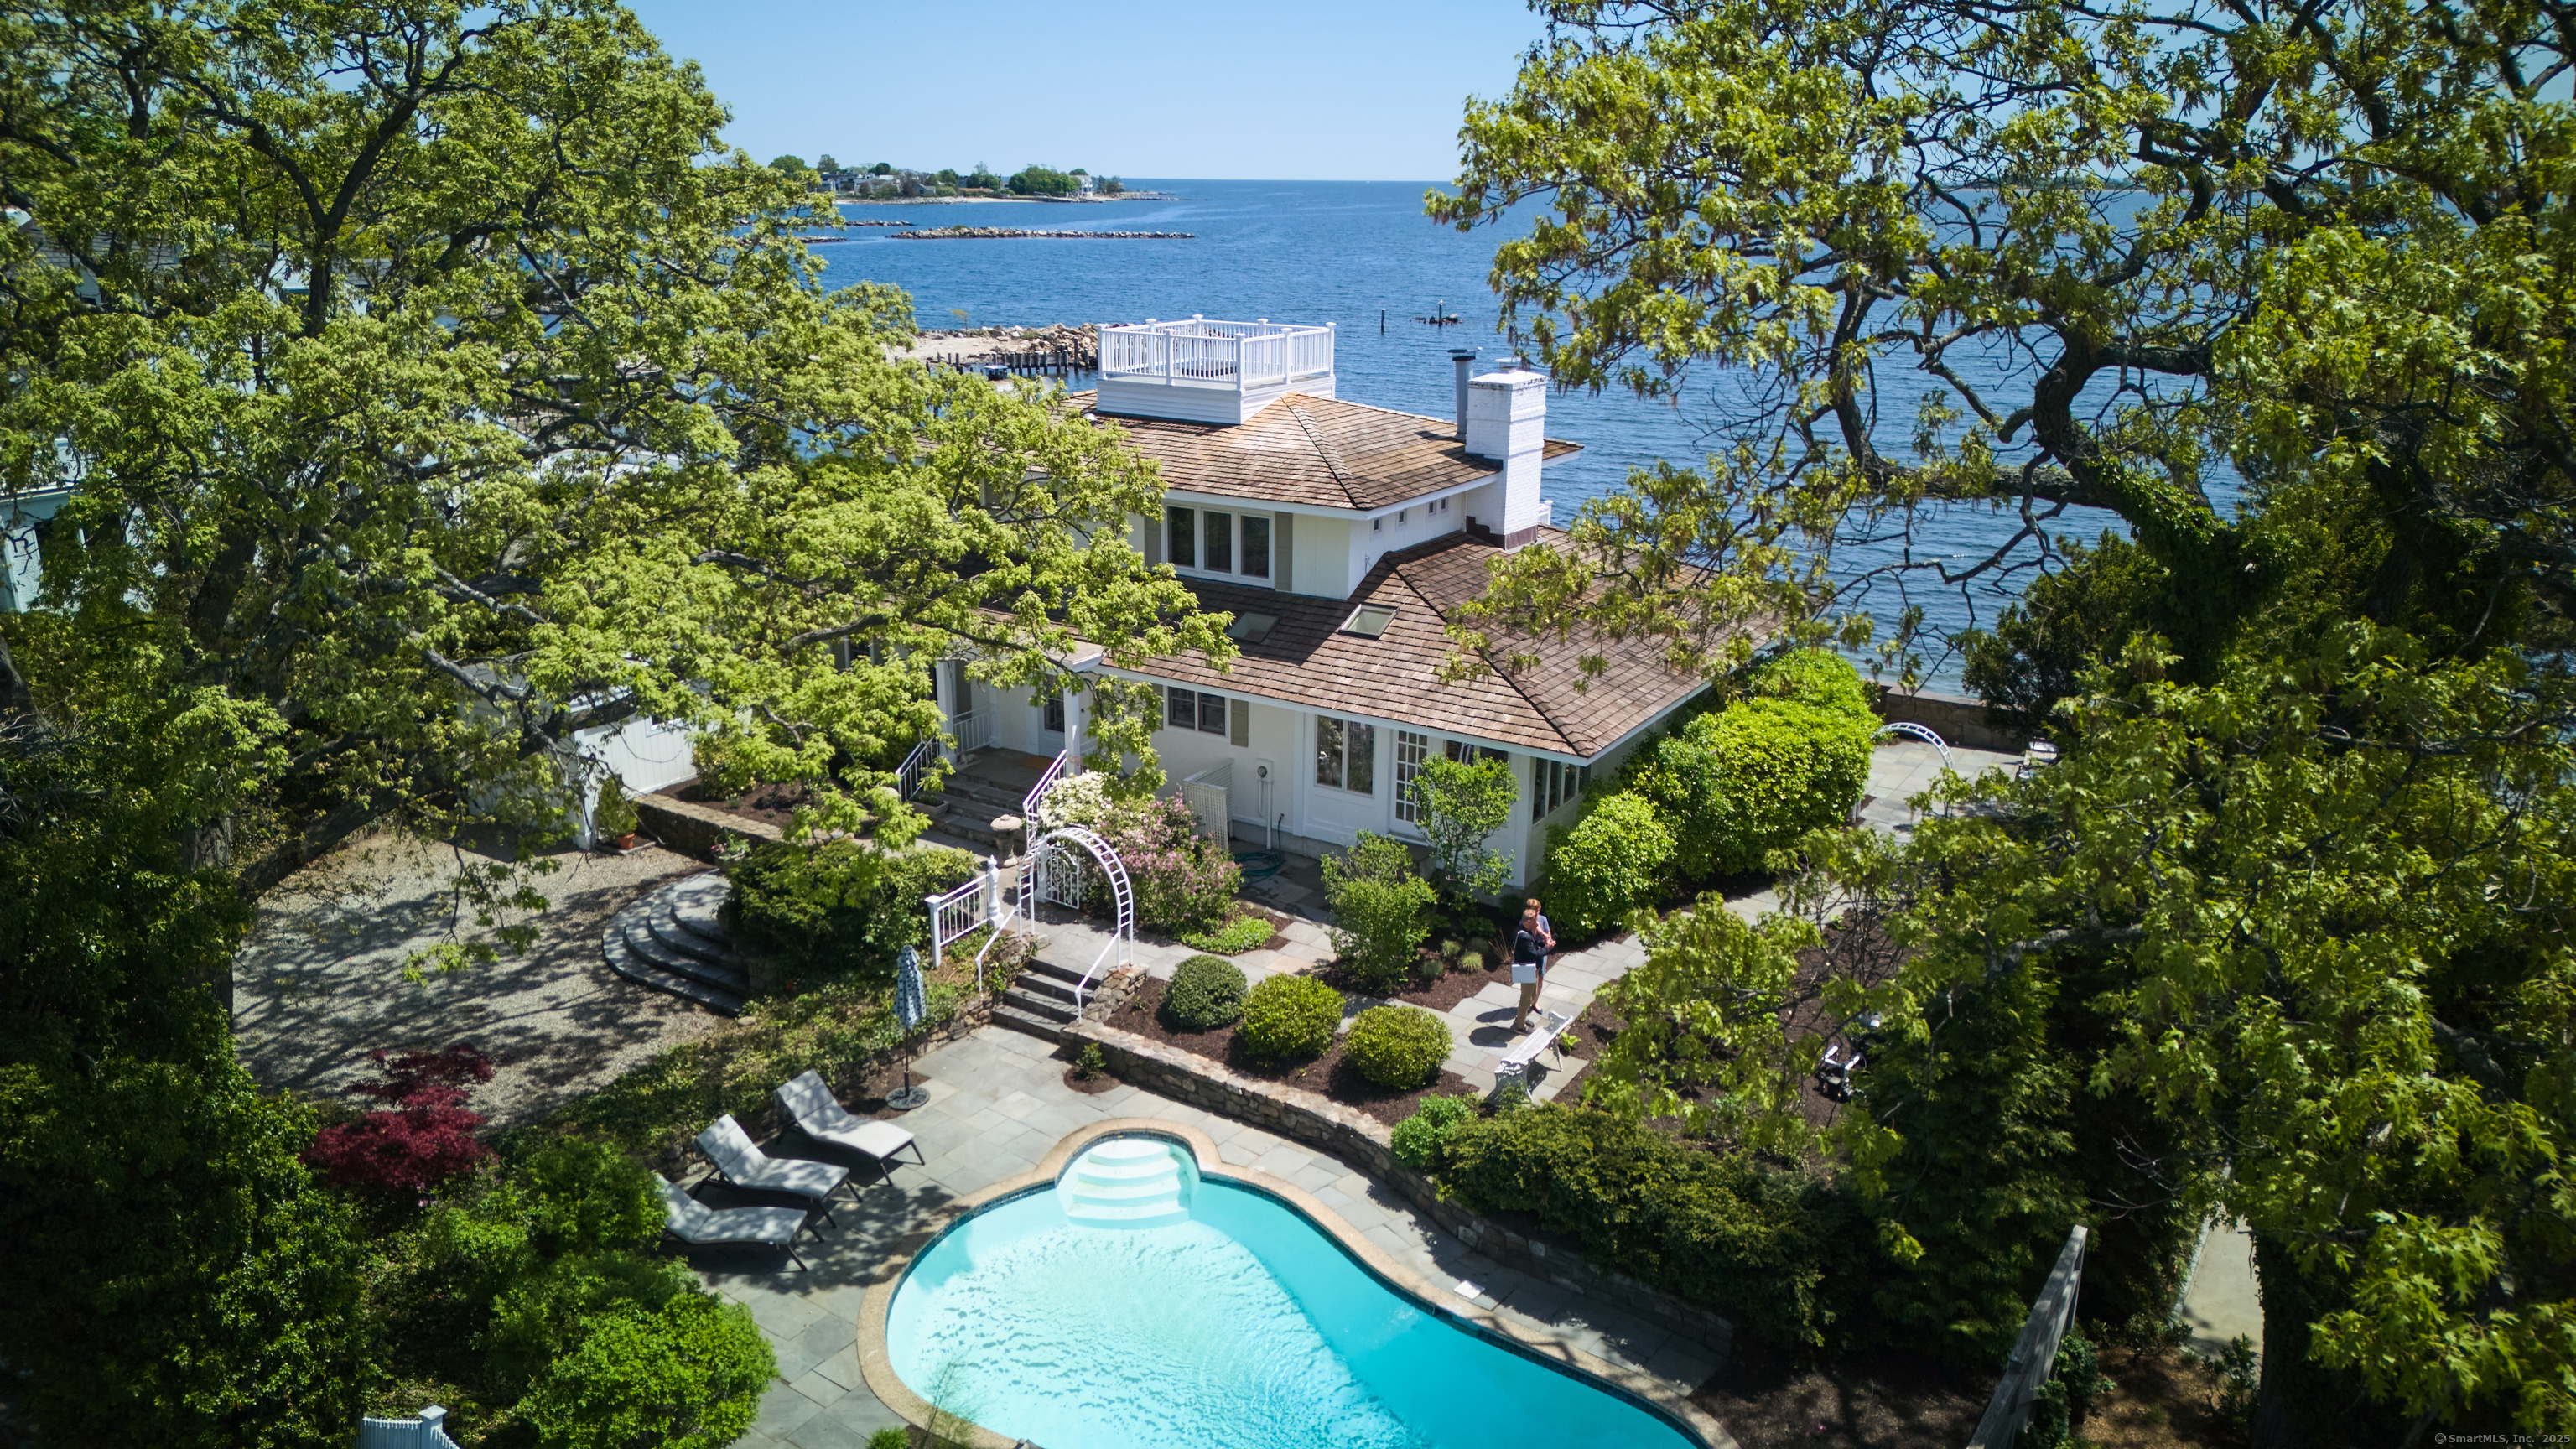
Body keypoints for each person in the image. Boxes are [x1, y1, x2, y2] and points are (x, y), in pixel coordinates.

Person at [1510, 905, 1554, 1034]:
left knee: (1532, 994)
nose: (1537, 923)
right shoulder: (1524, 937)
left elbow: (1533, 948)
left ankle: (1521, 1018)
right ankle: (1520, 1026)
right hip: (1525, 969)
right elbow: (1535, 954)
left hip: (1530, 968)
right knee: (1526, 998)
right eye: (1535, 921)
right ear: (1528, 922)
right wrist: (1548, 948)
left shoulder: (1527, 932)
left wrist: (1543, 943)